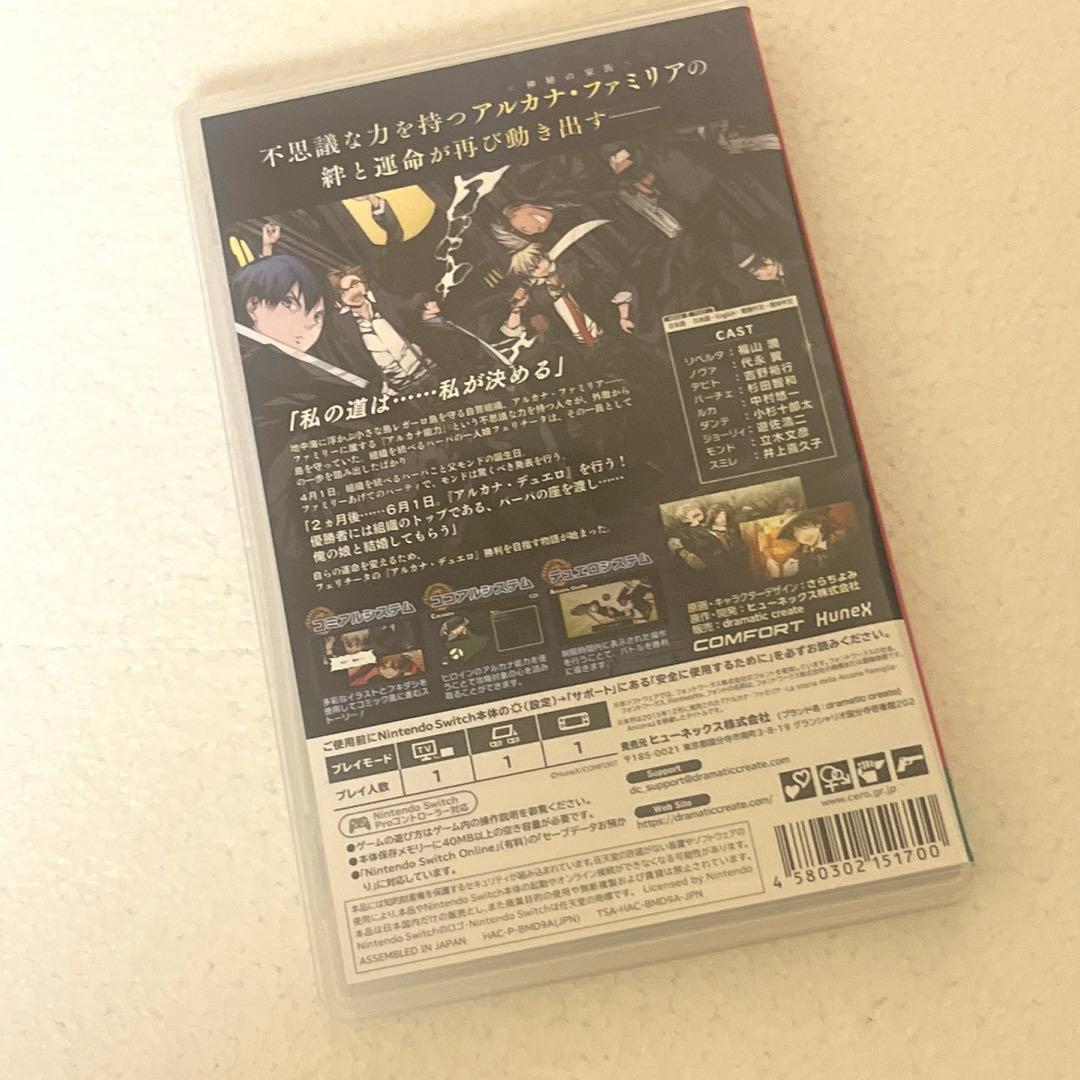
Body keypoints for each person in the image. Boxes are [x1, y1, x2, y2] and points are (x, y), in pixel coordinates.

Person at [327, 262, 439, 393]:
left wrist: (427, 301)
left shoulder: (382, 300)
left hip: (428, 370)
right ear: (339, 297)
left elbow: (410, 305)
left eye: (355, 284)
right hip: (399, 388)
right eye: (345, 291)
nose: (354, 292)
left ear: (364, 284)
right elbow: (352, 360)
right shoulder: (341, 324)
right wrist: (378, 387)